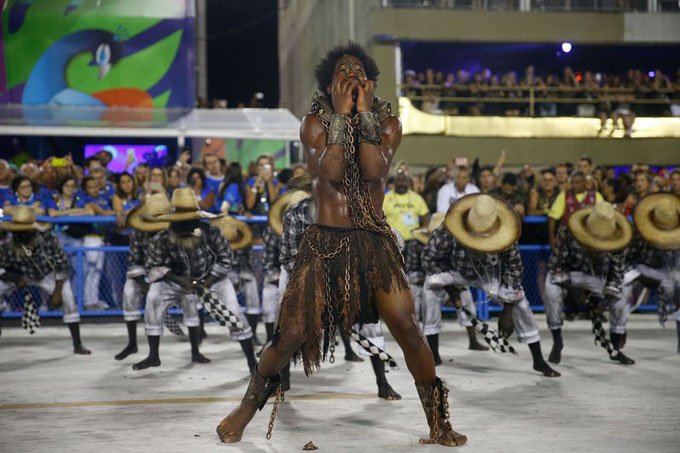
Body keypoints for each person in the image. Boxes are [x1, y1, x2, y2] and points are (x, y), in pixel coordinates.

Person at [217, 43, 466, 447]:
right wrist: (339, 117)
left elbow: (371, 169)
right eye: (342, 70)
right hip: (325, 243)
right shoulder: (313, 122)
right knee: (291, 334)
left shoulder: (389, 125)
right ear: (330, 83)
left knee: (406, 326)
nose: (350, 73)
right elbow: (332, 173)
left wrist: (361, 114)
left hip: (374, 243)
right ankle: (246, 410)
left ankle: (438, 422)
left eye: (357, 69)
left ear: (369, 82)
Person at [272, 175, 400, 398]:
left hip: (347, 271)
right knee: (284, 311)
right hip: (301, 272)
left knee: (370, 322)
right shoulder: (296, 213)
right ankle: (282, 378)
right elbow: (289, 256)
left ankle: (382, 382)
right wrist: (318, 281)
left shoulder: (357, 209)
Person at [422, 194, 560, 377]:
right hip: (455, 271)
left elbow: (514, 269)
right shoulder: (448, 229)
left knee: (521, 304)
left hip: (488, 273)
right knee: (430, 289)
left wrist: (507, 311)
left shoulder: (507, 235)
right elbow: (429, 258)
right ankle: (434, 353)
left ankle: (538, 361)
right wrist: (449, 288)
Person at [133, 188, 256, 372]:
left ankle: (252, 362)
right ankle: (153, 355)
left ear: (197, 220)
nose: (185, 227)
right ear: (172, 223)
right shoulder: (162, 239)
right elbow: (153, 267)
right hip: (178, 281)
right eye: (180, 223)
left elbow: (226, 259)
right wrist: (179, 280)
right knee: (153, 297)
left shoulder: (212, 232)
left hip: (214, 278)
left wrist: (209, 281)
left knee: (235, 312)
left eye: (189, 222)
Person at [543, 201, 634, 366]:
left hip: (600, 279)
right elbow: (555, 267)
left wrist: (603, 302)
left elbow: (617, 275)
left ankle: (616, 347)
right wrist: (574, 291)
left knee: (622, 296)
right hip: (571, 275)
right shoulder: (568, 231)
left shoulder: (620, 240)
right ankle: (557, 341)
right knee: (551, 290)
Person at [0, 206, 90, 354]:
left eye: (24, 230)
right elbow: (1, 267)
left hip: (48, 275)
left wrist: (57, 291)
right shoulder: (7, 243)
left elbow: (62, 264)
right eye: (17, 230)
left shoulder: (48, 239)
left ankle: (77, 344)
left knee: (68, 298)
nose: (20, 234)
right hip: (19, 275)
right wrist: (14, 278)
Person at [629, 193, 680, 352]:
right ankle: (618, 334)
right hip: (645, 268)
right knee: (622, 286)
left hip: (674, 271)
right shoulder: (640, 231)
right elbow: (631, 257)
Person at [78, 176, 114, 311]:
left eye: (96, 186)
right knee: (90, 271)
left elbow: (107, 211)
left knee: (97, 272)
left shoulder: (103, 199)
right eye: (91, 187)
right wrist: (116, 212)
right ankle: (87, 302)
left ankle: (93, 300)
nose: (94, 189)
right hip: (91, 239)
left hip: (101, 239)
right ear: (85, 190)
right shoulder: (86, 201)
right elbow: (103, 212)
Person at [547, 171, 603, 248]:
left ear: (584, 182)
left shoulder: (595, 196)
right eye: (572, 182)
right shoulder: (564, 195)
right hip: (567, 238)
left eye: (577, 182)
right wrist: (552, 238)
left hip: (588, 239)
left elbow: (603, 216)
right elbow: (553, 218)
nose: (574, 185)